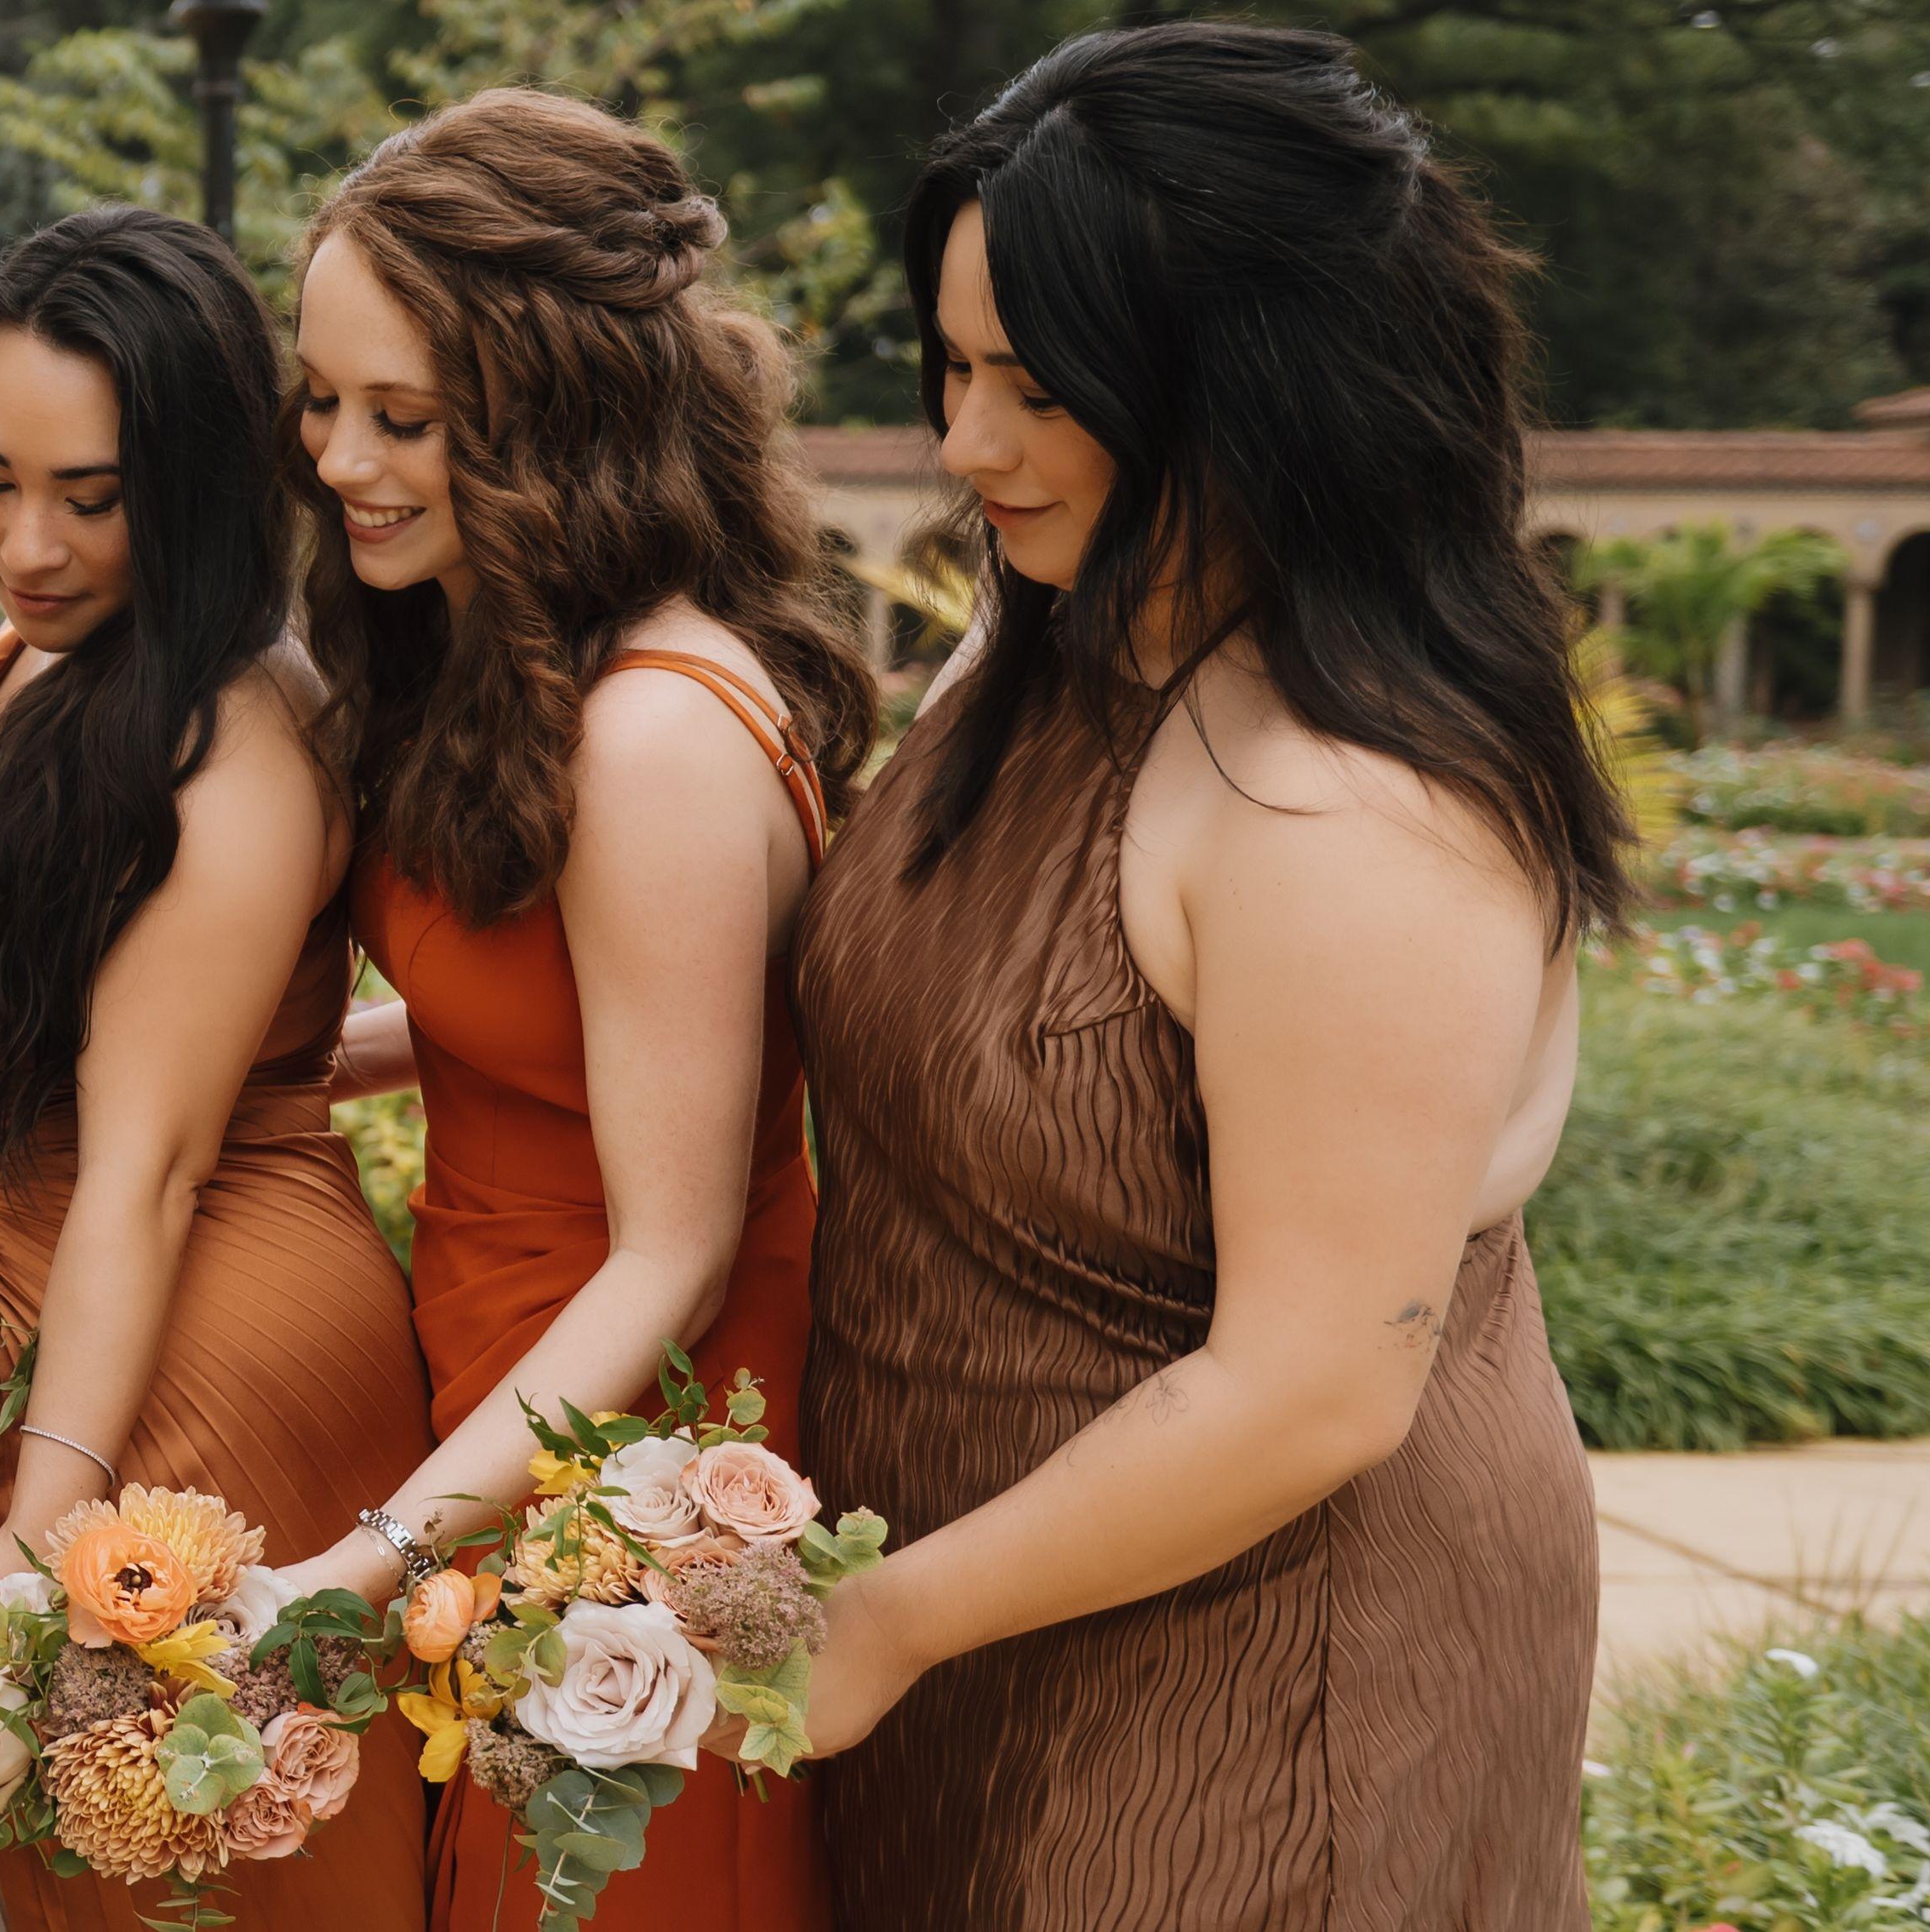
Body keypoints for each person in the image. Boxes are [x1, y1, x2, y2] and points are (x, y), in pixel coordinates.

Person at [793, 25, 1615, 1928]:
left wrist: (886, 1619)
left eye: (1037, 387)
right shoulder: (1055, 627)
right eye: (953, 369)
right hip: (970, 1616)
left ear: (1258, 393)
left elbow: (1312, 1390)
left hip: (1267, 1665)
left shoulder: (1353, 806)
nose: (964, 445)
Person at [251, 89, 876, 1932]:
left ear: (556, 415)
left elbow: (675, 1246)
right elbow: (531, 1039)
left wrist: (367, 1558)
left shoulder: (655, 737)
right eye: (321, 401)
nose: (341, 459)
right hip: (502, 1392)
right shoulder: (515, 661)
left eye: (404, 419)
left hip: (637, 1448)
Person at [0, 205, 431, 1932]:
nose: (26, 542)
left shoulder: (232, 733)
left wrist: (45, 1536)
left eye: (92, 498)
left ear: (192, 486)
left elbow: (152, 1159)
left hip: (172, 1368)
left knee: (169, 1853)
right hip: (46, 1318)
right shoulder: (51, 656)